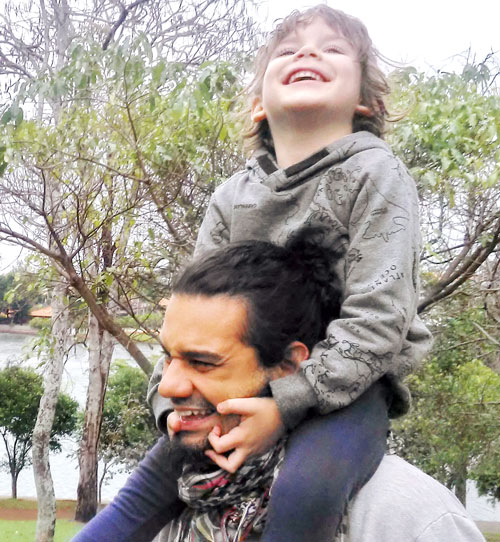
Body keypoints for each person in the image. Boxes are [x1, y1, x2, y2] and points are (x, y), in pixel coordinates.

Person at [75, 5, 433, 541]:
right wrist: (168, 406)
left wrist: (282, 407)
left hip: (349, 389)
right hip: (239, 380)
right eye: (288, 51)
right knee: (141, 494)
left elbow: (379, 318)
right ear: (259, 103)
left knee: (305, 488)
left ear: (365, 101)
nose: (307, 52)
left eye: (332, 49)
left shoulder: (377, 174)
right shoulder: (232, 196)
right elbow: (193, 321)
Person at [74, 233, 482, 541]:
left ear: (289, 365)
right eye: (168, 357)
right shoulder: (186, 498)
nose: (170, 385)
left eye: (203, 362)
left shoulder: (405, 518)